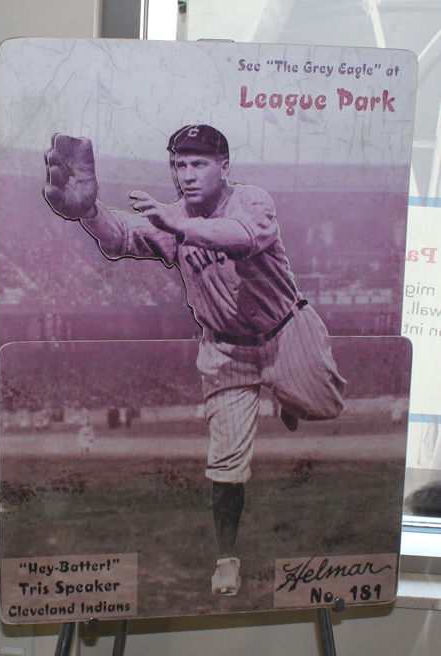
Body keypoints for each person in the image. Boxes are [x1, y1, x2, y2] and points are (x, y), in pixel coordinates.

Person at [44, 125, 345, 596]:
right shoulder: (172, 218)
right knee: (225, 464)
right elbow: (122, 233)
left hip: (285, 331)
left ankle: (291, 397)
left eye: (198, 163)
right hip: (226, 349)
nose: (186, 175)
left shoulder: (250, 201)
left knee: (324, 407)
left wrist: (179, 225)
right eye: (179, 165)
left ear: (224, 166)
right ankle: (227, 559)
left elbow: (242, 237)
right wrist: (89, 213)